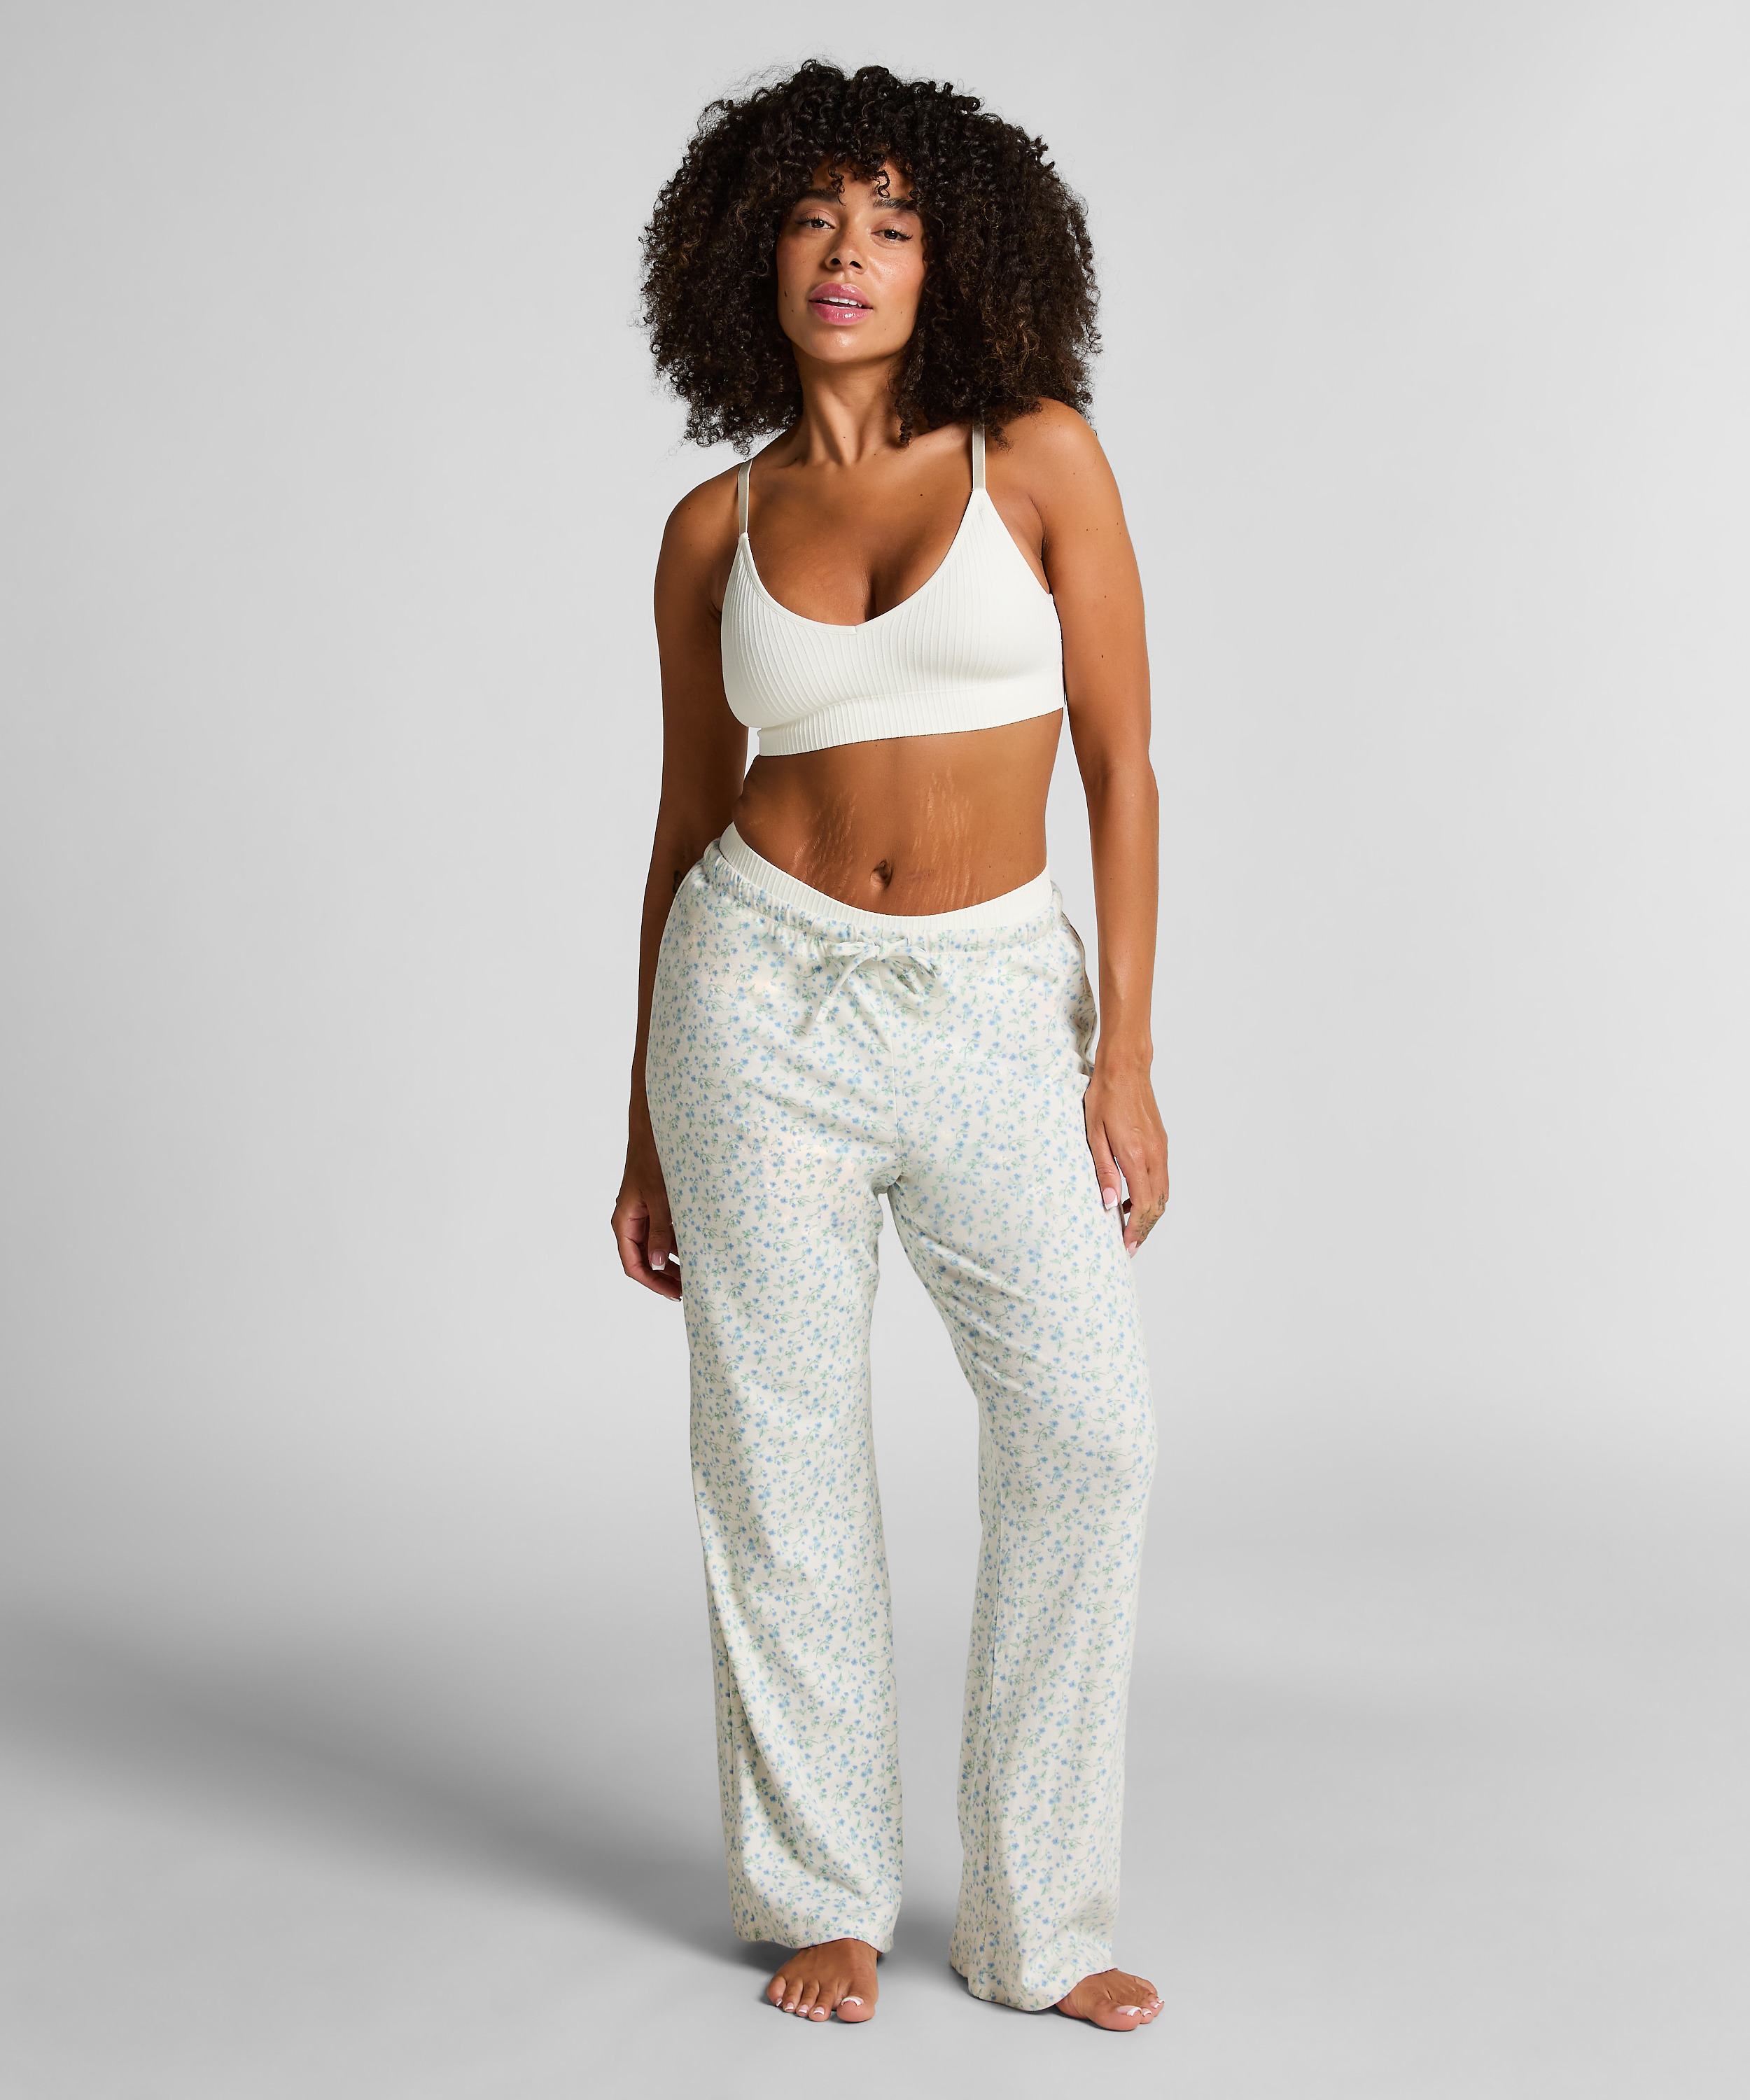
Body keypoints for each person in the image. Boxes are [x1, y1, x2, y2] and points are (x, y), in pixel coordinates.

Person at [612, 61, 1168, 2031]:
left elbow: (1120, 765)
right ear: (747, 256)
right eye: (810, 219)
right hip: (751, 1001)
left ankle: (1039, 1922)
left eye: (892, 223)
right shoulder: (712, 524)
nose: (845, 255)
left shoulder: (1038, 458)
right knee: (774, 1456)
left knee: (1089, 1434)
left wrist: (1122, 1057)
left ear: (957, 259)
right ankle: (819, 1893)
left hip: (995, 1001)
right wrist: (643, 1124)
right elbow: (684, 819)